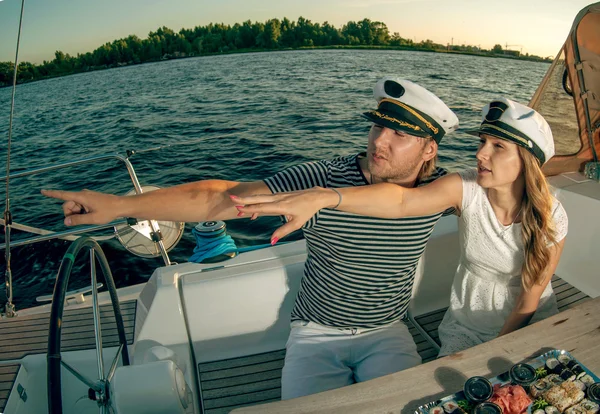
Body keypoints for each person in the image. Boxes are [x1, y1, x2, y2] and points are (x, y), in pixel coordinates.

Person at [41, 77, 459, 398]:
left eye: (399, 134)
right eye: (377, 127)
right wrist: (120, 205)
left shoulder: (440, 192)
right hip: (315, 333)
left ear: (429, 151)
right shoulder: (321, 177)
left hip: (387, 330)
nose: (378, 141)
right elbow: (221, 199)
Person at [233, 97, 568, 357]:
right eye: (482, 142)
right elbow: (401, 202)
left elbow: (529, 300)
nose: (480, 154)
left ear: (526, 162)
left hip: (526, 319)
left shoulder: (552, 216)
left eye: (497, 147)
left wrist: (498, 348)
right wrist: (326, 197)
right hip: (467, 321)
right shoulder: (466, 187)